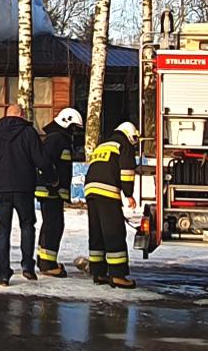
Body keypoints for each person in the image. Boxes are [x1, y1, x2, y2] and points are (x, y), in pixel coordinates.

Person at [0, 104, 48, 286]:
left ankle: (3, 274)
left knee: (3, 231)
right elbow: (40, 159)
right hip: (24, 188)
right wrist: (52, 178)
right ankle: (28, 266)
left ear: (6, 114)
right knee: (27, 225)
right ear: (21, 115)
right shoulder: (29, 132)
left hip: (0, 189)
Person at [84, 121, 140, 289]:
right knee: (114, 231)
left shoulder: (103, 145)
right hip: (107, 191)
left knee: (97, 232)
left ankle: (98, 272)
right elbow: (126, 170)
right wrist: (128, 194)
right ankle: (118, 275)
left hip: (90, 190)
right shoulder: (124, 144)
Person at [35, 107, 83, 277]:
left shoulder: (57, 138)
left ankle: (44, 260)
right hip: (51, 191)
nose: (75, 132)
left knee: (50, 225)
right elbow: (45, 162)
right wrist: (53, 182)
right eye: (74, 128)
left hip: (52, 191)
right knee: (54, 226)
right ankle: (48, 265)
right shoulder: (57, 139)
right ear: (66, 123)